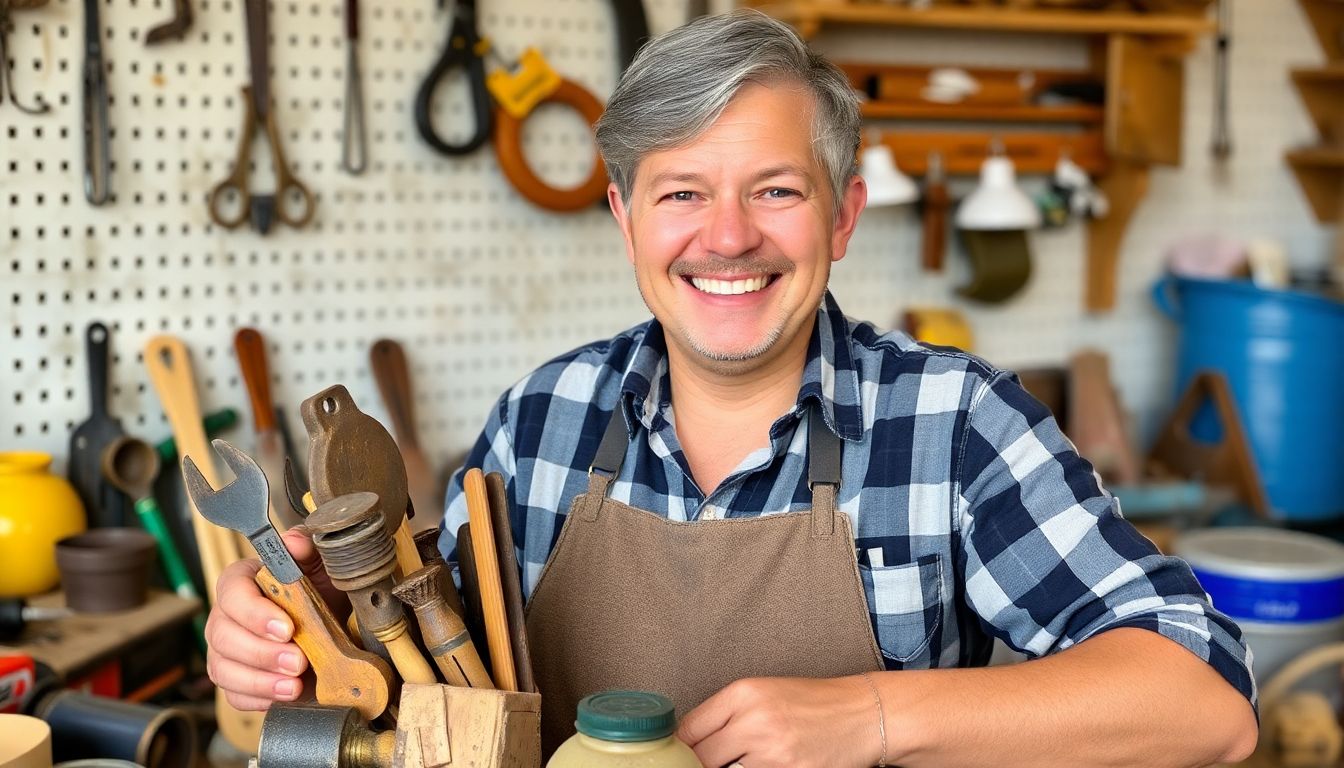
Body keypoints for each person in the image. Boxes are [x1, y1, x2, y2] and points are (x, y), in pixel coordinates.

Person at [206, 10, 1258, 767]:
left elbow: (1206, 701)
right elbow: (424, 697)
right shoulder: (544, 420)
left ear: (842, 218)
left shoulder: (954, 427)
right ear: (624, 218)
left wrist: (876, 717)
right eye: (682, 193)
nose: (727, 238)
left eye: (775, 191)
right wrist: (288, 647)